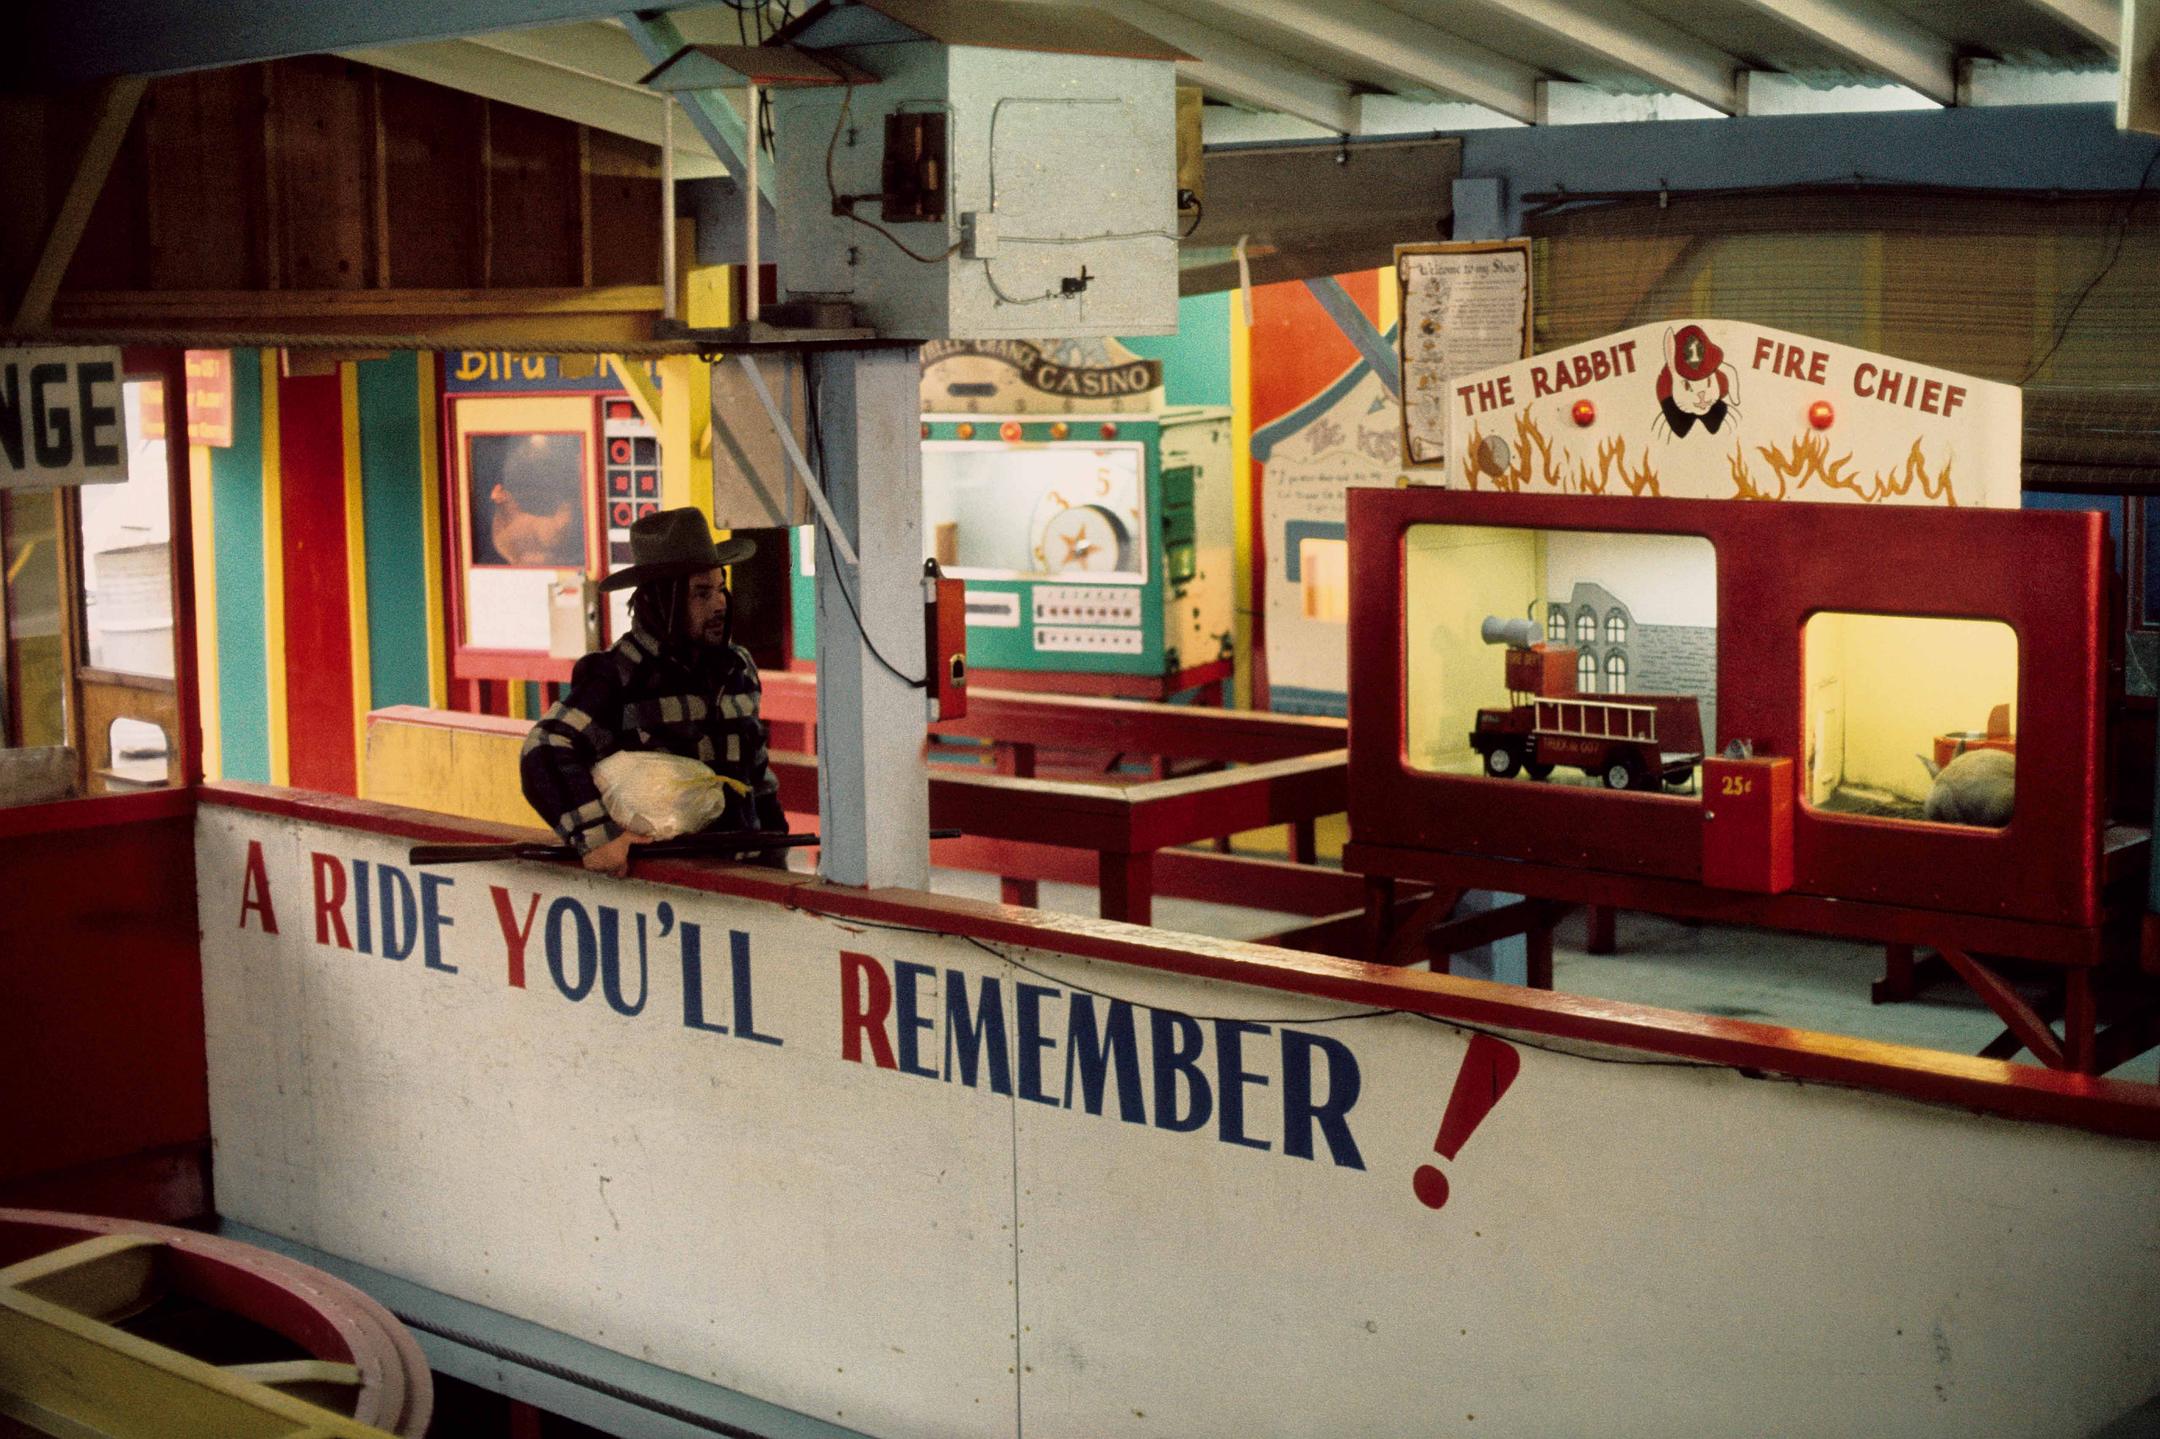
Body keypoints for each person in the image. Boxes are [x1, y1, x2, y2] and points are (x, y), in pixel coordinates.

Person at [521, 507, 785, 877]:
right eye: (701, 593)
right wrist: (598, 838)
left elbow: (757, 777)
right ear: (663, 600)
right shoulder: (619, 675)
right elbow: (546, 747)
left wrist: (776, 855)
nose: (720, 604)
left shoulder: (738, 668)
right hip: (666, 886)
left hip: (745, 876)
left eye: (720, 587)